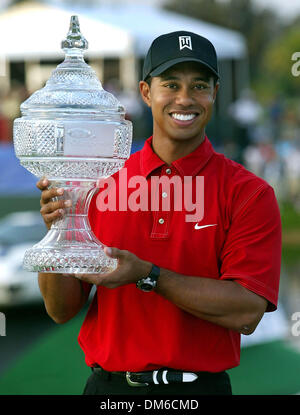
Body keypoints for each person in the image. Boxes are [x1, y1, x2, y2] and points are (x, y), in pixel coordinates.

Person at [37, 31, 282, 395]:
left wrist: (149, 275)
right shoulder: (97, 184)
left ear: (214, 93)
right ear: (146, 92)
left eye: (199, 85)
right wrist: (59, 233)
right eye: (171, 84)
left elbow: (247, 312)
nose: (185, 99)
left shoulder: (249, 193)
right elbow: (61, 309)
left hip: (200, 392)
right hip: (109, 389)